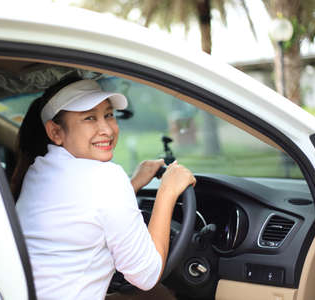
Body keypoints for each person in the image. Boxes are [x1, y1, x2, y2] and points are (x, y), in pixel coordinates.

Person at [13, 75, 196, 300]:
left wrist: (134, 184)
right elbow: (147, 276)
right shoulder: (106, 178)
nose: (107, 130)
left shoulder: (39, 170)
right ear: (55, 133)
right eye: (90, 118)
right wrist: (168, 191)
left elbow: (88, 211)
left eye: (108, 115)